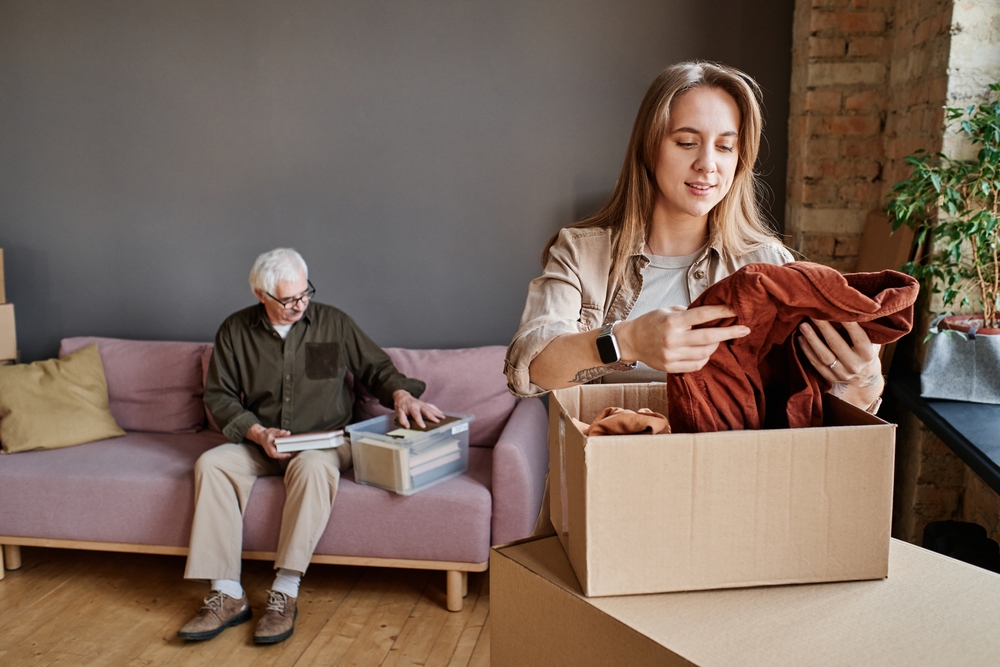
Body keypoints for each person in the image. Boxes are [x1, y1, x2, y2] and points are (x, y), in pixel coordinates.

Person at [505, 61, 885, 413]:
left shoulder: (769, 265)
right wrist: (628, 340)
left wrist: (865, 381)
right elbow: (531, 369)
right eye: (686, 142)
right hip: (610, 476)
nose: (707, 163)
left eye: (725, 146)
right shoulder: (581, 251)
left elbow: (813, 412)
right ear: (649, 147)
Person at [178, 248, 443, 645]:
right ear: (260, 294)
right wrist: (258, 434)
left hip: (327, 441)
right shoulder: (234, 331)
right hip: (263, 442)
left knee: (314, 468)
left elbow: (376, 368)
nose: (299, 305)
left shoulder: (334, 322)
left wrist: (402, 396)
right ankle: (227, 594)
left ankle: (284, 591)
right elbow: (220, 398)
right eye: (287, 299)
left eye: (305, 294)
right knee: (212, 463)